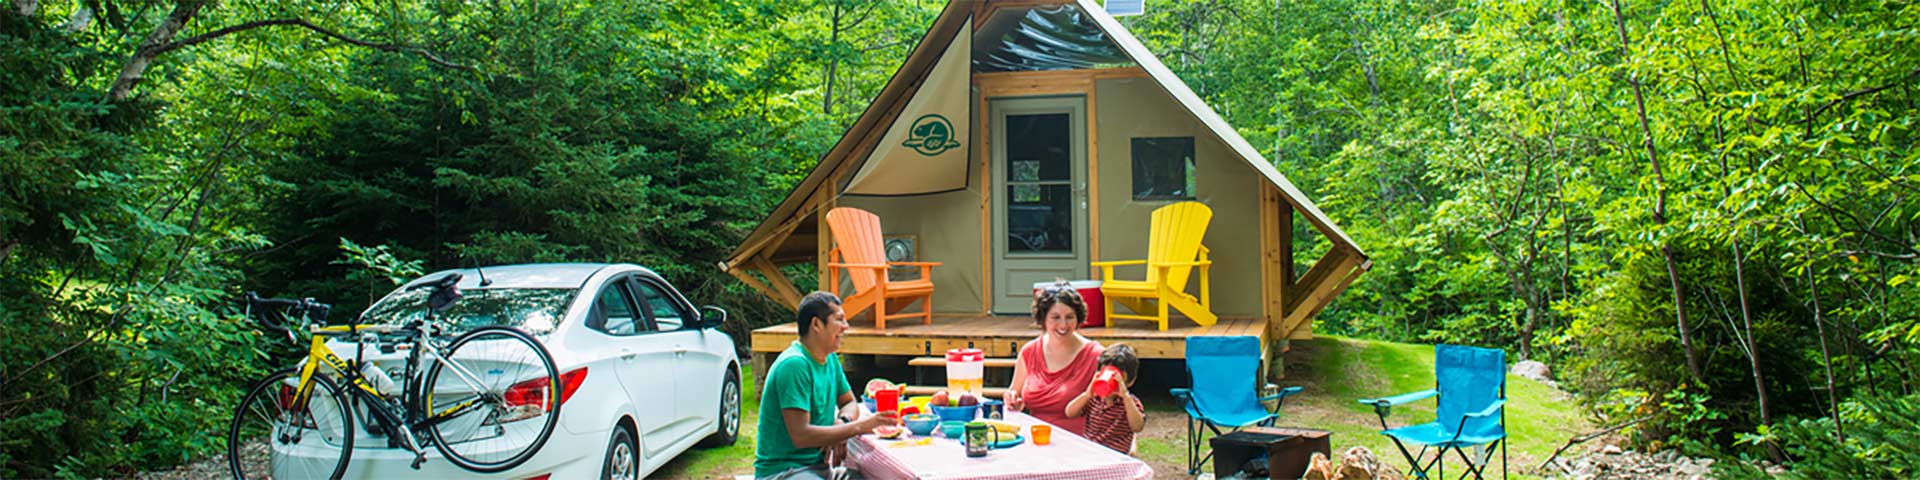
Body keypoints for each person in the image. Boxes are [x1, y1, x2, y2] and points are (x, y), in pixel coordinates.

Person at [755, 292, 896, 479]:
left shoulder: (829, 359)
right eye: (839, 320)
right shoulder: (795, 365)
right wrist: (858, 427)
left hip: (818, 467)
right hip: (785, 471)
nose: (846, 327)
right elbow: (801, 435)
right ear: (816, 325)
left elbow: (849, 402)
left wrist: (841, 427)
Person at [1004, 281, 1105, 436]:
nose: (1063, 325)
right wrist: (1012, 400)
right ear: (1043, 319)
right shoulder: (1029, 351)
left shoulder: (1095, 355)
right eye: (1055, 317)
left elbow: (1118, 408)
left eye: (1070, 317)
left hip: (1081, 443)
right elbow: (1014, 392)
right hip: (1037, 439)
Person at [1065, 343, 1147, 454]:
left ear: (1130, 381)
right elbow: (1070, 413)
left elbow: (1137, 427)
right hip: (1091, 452)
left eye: (1118, 378)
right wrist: (1086, 395)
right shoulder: (1093, 399)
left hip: (1116, 456)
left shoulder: (1130, 403)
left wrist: (1126, 397)